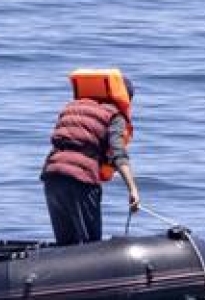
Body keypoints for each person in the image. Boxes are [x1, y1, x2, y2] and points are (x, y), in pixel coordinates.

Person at [41, 68, 141, 245]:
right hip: (81, 179)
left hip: (52, 175)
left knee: (65, 245)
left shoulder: (72, 107)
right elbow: (118, 153)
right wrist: (132, 189)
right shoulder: (114, 115)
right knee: (90, 246)